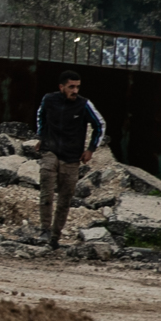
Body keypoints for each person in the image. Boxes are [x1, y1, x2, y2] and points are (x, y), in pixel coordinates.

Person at [36, 69, 106, 249]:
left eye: (77, 87)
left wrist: (91, 149)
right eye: (71, 87)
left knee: (65, 199)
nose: (75, 91)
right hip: (50, 150)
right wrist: (41, 137)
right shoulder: (49, 100)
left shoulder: (84, 105)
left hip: (72, 157)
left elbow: (100, 125)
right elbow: (41, 116)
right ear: (61, 87)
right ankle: (44, 229)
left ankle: (55, 236)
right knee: (46, 190)